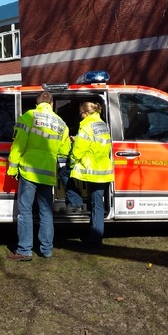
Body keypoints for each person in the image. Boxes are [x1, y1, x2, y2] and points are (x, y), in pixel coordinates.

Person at [6, 91, 71, 261]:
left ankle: (25, 250)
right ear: (52, 104)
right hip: (48, 173)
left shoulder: (28, 116)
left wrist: (12, 169)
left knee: (25, 211)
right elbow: (64, 152)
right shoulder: (62, 123)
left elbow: (18, 145)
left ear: (37, 103)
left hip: (29, 171)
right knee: (46, 212)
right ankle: (47, 250)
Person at [60, 101, 114, 248]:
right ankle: (96, 239)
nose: (80, 117)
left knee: (64, 173)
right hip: (103, 169)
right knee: (97, 203)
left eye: (80, 114)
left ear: (85, 113)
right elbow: (96, 144)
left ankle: (76, 202)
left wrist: (71, 162)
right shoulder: (102, 124)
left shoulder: (86, 125)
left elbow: (79, 150)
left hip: (89, 168)